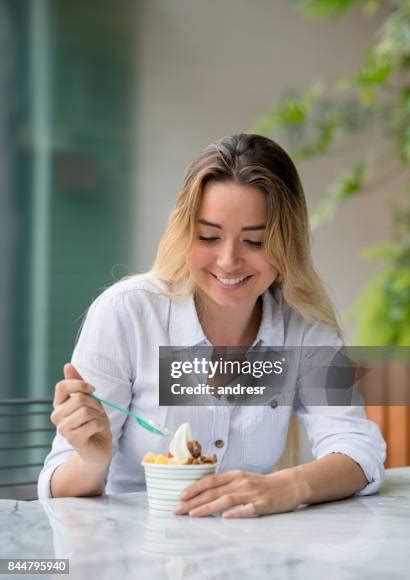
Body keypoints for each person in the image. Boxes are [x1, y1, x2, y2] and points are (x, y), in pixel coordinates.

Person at [38, 134, 386, 518]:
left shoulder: (303, 328)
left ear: (287, 244)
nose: (228, 261)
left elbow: (358, 450)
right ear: (185, 232)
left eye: (254, 241)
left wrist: (286, 486)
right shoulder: (127, 314)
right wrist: (91, 460)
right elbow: (58, 485)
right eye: (208, 236)